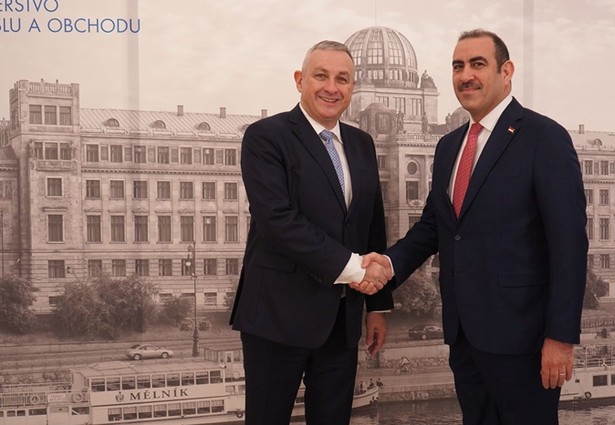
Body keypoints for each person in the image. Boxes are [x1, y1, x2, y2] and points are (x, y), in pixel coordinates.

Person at [364, 29, 588, 424]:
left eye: (477, 64)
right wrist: (389, 264)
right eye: (458, 66)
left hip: (524, 340)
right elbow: (434, 226)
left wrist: (561, 337)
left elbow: (569, 245)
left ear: (506, 71)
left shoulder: (544, 137)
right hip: (465, 337)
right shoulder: (449, 146)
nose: (465, 75)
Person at [229, 40, 394, 425]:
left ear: (353, 88)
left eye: (342, 79)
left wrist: (378, 305)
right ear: (300, 80)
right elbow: (277, 220)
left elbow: (372, 223)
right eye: (321, 76)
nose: (331, 88)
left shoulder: (362, 144)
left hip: (341, 321)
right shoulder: (266, 136)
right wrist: (356, 271)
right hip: (276, 316)